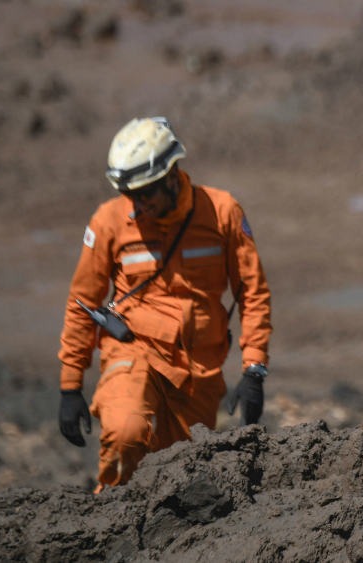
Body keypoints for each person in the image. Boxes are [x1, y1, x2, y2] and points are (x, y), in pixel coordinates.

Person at [57, 117, 272, 490]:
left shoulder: (222, 213)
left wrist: (254, 370)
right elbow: (83, 303)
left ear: (172, 176)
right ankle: (109, 524)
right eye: (130, 196)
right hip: (133, 350)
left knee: (183, 479)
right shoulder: (109, 221)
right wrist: (70, 385)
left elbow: (252, 293)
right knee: (125, 433)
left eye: (146, 194)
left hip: (199, 370)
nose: (139, 205)